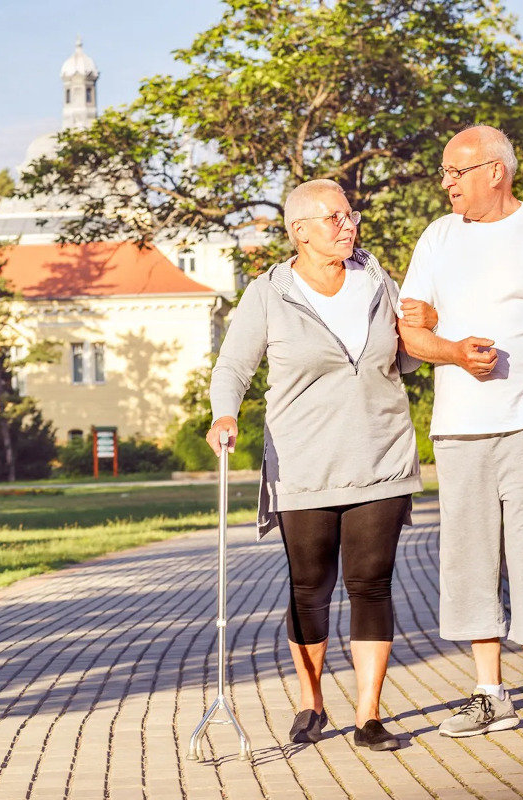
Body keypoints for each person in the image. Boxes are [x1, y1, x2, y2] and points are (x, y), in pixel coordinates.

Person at [206, 178, 436, 751]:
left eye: (350, 214)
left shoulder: (379, 279)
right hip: (302, 463)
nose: (348, 224)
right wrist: (223, 415)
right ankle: (310, 703)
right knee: (309, 587)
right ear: (300, 231)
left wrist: (427, 329)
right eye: (334, 218)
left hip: (380, 453)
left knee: (371, 584)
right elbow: (234, 364)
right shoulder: (268, 293)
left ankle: (368, 715)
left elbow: (406, 357)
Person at [397, 125, 523, 748]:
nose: (446, 184)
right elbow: (411, 334)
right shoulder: (436, 239)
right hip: (458, 429)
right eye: (444, 174)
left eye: (456, 173)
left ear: (495, 171)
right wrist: (455, 353)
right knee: (469, 559)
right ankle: (490, 694)